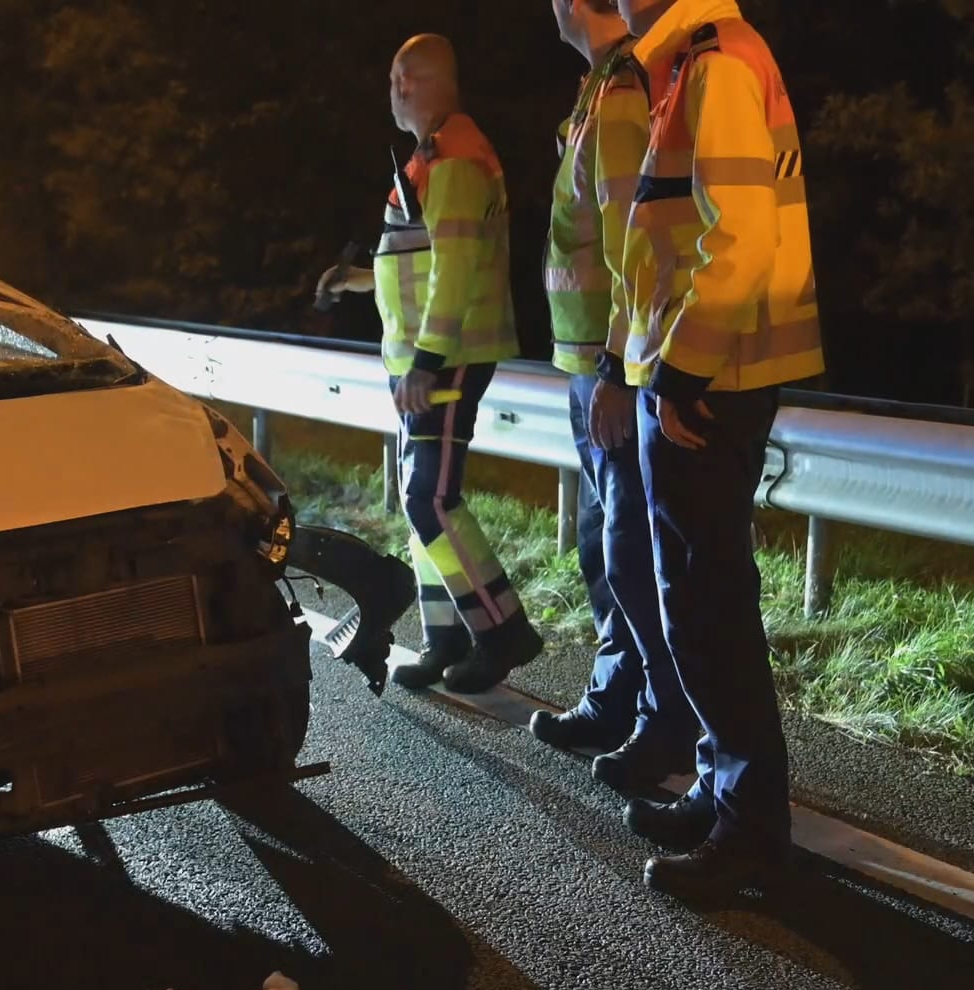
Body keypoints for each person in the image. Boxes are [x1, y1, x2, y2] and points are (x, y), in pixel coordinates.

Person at [609, 0, 825, 893]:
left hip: (711, 382)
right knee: (696, 602)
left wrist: (679, 375)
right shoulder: (693, 65)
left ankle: (747, 833)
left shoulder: (717, 64)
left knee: (706, 605)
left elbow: (735, 239)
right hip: (707, 376)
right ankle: (721, 784)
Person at [318, 34, 543, 695]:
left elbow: (457, 270)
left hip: (444, 359)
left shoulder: (455, 159)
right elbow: (419, 261)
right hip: (425, 360)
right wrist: (358, 281)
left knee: (430, 500)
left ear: (419, 82)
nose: (392, 90)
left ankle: (502, 629)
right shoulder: (430, 159)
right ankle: (445, 637)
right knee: (424, 500)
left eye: (398, 78)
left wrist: (427, 362)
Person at [529, 0, 700, 793]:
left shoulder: (624, 89)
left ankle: (667, 720)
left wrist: (606, 366)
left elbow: (633, 238)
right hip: (591, 359)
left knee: (629, 551)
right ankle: (617, 698)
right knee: (606, 547)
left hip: (614, 364)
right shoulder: (599, 86)